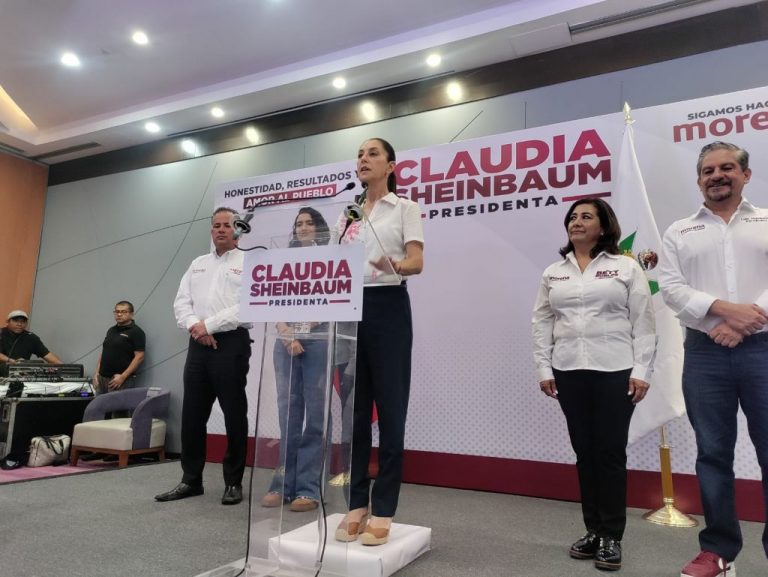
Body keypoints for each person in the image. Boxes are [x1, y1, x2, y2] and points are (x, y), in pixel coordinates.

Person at [658, 141, 768, 577]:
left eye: (726, 168)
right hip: (705, 353)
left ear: (746, 174)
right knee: (713, 453)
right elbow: (671, 289)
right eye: (708, 170)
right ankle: (719, 551)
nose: (716, 175)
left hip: (763, 349)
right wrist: (724, 311)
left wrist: (743, 322)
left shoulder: (766, 221)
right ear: (699, 179)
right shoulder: (679, 231)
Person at [531, 198, 656, 571]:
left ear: (604, 226)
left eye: (587, 216)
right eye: (572, 217)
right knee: (585, 453)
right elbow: (541, 323)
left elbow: (644, 323)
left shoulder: (625, 267)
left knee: (610, 454)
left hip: (616, 371)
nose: (577, 222)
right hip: (568, 372)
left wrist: (642, 371)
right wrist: (544, 368)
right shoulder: (554, 272)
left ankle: (611, 536)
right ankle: (593, 530)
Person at [334, 137, 424, 546]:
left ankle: (384, 506)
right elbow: (334, 264)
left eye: (372, 153)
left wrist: (393, 265)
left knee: (389, 412)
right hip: (350, 312)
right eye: (359, 154)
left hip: (388, 307)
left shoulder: (405, 208)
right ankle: (356, 502)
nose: (363, 159)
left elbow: (417, 263)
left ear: (390, 165)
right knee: (354, 414)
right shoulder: (348, 214)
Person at [155, 207, 251, 506]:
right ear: (211, 230)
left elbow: (246, 306)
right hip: (198, 346)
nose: (221, 230)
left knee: (235, 415)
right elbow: (181, 303)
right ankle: (190, 480)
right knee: (193, 415)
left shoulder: (249, 262)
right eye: (216, 225)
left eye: (227, 225)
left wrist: (208, 325)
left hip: (231, 344)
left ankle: (233, 482)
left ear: (237, 229)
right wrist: (197, 328)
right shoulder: (197, 264)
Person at [260, 207, 331, 513]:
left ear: (318, 228)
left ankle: (308, 488)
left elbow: (334, 300)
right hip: (284, 343)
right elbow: (272, 298)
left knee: (315, 417)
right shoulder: (282, 259)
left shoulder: (331, 258)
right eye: (298, 223)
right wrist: (286, 333)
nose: (303, 228)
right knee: (288, 414)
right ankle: (282, 484)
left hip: (317, 341)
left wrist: (299, 331)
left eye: (308, 223)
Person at [92, 301, 146, 394]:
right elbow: (104, 352)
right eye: (117, 312)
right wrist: (96, 374)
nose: (119, 314)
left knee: (117, 408)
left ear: (131, 314)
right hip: (102, 379)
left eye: (124, 312)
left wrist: (122, 377)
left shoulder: (137, 332)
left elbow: (139, 357)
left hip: (120, 381)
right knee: (101, 408)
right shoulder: (111, 330)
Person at [0, 310, 62, 376]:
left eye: (23, 321)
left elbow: (47, 355)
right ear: (7, 321)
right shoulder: (1, 333)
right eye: (16, 321)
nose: (19, 324)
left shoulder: (31, 338)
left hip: (20, 376)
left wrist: (63, 367)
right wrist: (11, 361)